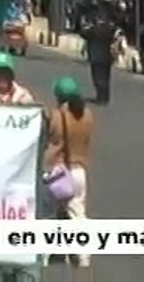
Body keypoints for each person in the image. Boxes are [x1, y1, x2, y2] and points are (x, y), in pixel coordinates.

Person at [45, 76, 94, 268]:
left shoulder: (56, 116)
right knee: (74, 211)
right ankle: (74, 253)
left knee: (52, 213)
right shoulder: (87, 115)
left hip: (60, 171)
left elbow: (50, 139)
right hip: (79, 170)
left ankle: (51, 253)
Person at [81, 2, 118, 105]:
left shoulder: (94, 29)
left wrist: (88, 26)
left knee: (98, 77)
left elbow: (83, 33)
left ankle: (100, 96)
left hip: (95, 55)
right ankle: (105, 96)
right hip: (107, 56)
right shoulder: (110, 28)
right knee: (106, 76)